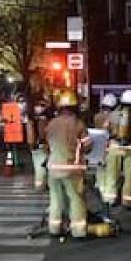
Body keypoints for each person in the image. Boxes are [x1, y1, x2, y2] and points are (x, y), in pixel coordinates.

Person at [45, 90, 91, 238]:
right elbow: (87, 146)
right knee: (76, 198)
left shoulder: (51, 124)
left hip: (53, 169)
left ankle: (54, 228)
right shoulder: (78, 124)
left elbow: (46, 145)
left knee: (55, 199)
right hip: (72, 169)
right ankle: (78, 230)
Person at [103, 90, 131, 208]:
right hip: (130, 148)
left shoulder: (113, 114)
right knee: (130, 176)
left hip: (114, 147)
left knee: (111, 173)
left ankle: (110, 198)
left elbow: (105, 129)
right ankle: (128, 201)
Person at [92, 93, 117, 200]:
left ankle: (100, 188)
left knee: (100, 168)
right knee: (110, 171)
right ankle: (109, 197)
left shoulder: (97, 117)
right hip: (110, 147)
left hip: (98, 147)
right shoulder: (114, 118)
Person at [26, 98, 51, 191]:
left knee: (41, 167)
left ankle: (41, 184)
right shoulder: (46, 119)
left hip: (42, 146)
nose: (40, 108)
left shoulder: (33, 119)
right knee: (42, 167)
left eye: (42, 106)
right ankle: (42, 184)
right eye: (39, 105)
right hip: (41, 146)